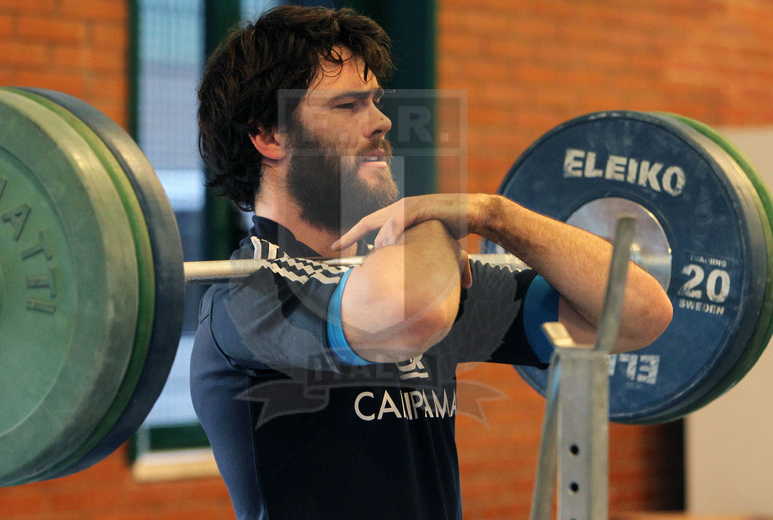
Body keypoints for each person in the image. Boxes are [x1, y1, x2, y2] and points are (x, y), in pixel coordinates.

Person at [191, 5, 673, 519]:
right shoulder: (248, 298)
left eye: (375, 101)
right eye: (348, 105)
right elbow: (411, 314)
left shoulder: (423, 273)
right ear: (269, 136)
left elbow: (640, 314)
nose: (381, 121)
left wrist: (495, 214)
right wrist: (432, 225)